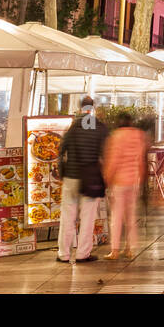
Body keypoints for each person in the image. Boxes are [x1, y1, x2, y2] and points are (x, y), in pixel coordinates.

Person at [58, 96, 108, 264]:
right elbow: (106, 153)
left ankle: (63, 254)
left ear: (80, 108)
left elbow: (61, 150)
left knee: (68, 217)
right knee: (87, 218)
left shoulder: (73, 127)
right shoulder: (100, 128)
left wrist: (62, 173)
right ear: (92, 108)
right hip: (91, 179)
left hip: (71, 178)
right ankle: (82, 254)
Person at [102, 112, 147, 259]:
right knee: (131, 216)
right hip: (134, 180)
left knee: (117, 216)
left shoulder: (116, 136)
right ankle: (129, 248)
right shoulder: (138, 135)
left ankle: (115, 250)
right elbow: (141, 160)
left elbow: (113, 160)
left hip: (119, 182)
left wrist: (107, 179)